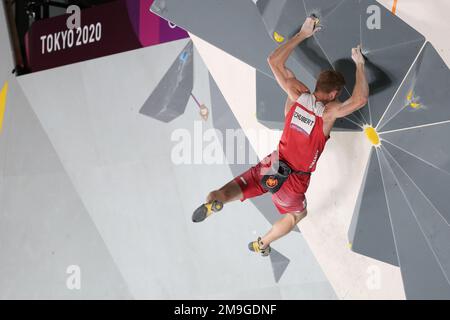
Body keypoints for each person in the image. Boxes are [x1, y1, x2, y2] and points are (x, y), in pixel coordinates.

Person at [192, 17, 369, 257]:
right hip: (293, 182)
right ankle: (262, 243)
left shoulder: (297, 94)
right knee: (297, 215)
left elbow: (273, 61)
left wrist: (303, 34)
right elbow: (359, 100)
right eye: (337, 95)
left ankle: (214, 200)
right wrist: (359, 64)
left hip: (273, 163)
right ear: (334, 94)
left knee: (230, 190)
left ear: (317, 85)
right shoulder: (327, 113)